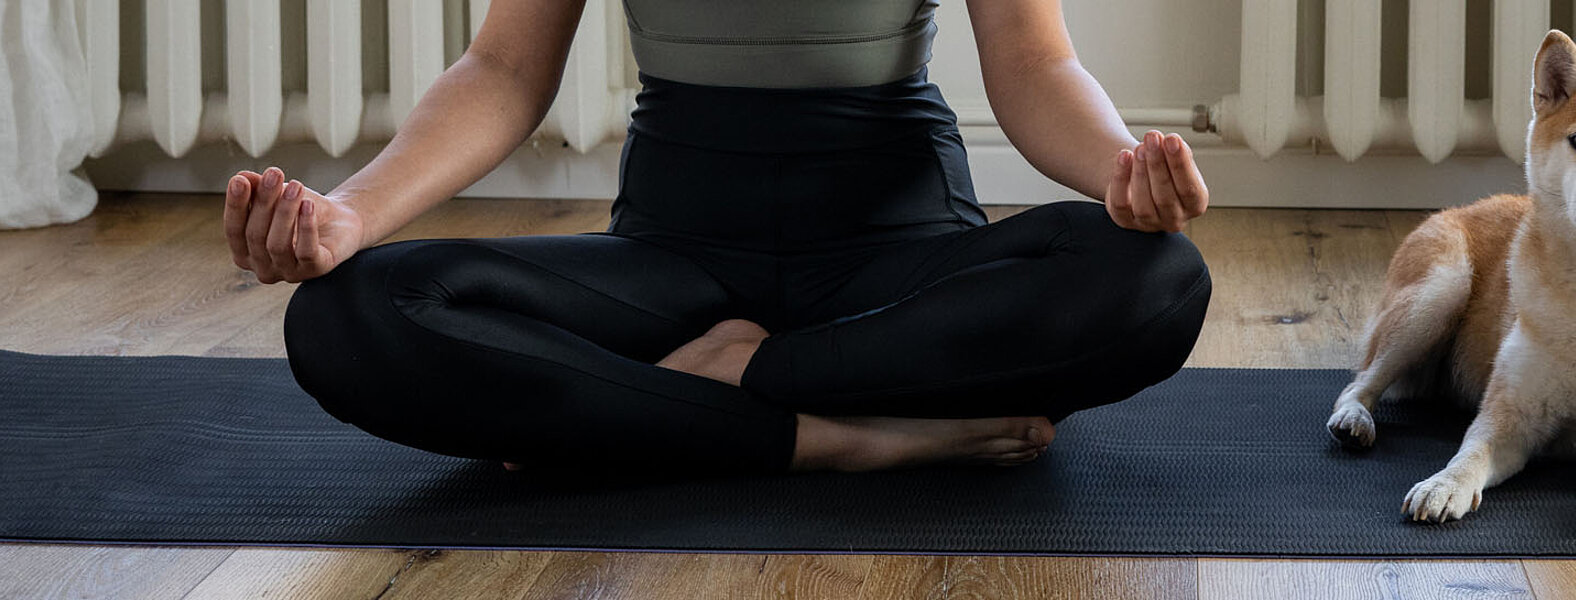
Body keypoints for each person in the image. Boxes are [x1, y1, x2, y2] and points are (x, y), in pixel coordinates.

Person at [221, 0, 1213, 473]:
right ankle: (824, 433)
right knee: (351, 315)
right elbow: (501, 72)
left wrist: (1121, 173)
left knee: (1153, 278)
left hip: (895, 266)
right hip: (672, 265)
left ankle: (717, 389)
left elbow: (1036, 66)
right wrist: (347, 216)